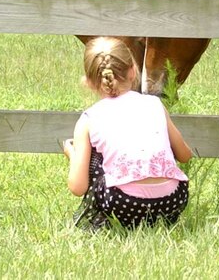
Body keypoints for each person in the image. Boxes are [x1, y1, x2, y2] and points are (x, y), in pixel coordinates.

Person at [62, 36, 192, 229]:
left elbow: (77, 187)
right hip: (173, 201)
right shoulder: (154, 104)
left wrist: (71, 153)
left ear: (89, 82)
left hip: (123, 205)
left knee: (94, 156)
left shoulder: (89, 119)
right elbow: (185, 155)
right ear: (133, 71)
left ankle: (103, 223)